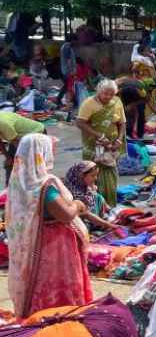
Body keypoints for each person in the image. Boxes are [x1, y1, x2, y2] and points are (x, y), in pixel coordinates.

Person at [5, 134, 92, 318]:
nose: (53, 153)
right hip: (54, 247)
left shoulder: (19, 181)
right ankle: (57, 320)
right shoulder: (44, 187)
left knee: (37, 285)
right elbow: (66, 214)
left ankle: (39, 316)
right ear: (39, 154)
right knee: (56, 285)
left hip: (33, 245)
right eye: (49, 149)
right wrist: (78, 204)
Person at [76, 79, 125, 206]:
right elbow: (80, 122)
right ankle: (95, 207)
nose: (108, 97)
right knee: (92, 176)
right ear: (98, 91)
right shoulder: (89, 103)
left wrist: (119, 139)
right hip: (93, 146)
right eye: (105, 94)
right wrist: (99, 135)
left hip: (112, 146)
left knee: (111, 175)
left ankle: (110, 205)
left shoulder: (117, 102)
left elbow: (122, 122)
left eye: (111, 94)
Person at [64, 161, 117, 231]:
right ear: (81, 176)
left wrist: (114, 212)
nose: (96, 178)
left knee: (98, 197)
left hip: (94, 222)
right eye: (92, 175)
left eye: (96, 175)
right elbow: (87, 214)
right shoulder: (69, 194)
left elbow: (105, 206)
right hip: (80, 227)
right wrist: (107, 224)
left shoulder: (87, 189)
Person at [0, 110, 45, 183]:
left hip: (36, 133)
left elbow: (17, 144)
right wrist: (8, 157)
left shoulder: (3, 123)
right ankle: (10, 188)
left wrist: (22, 160)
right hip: (19, 137)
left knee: (30, 166)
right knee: (10, 164)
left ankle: (38, 185)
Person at [58, 35, 77, 108]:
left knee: (68, 86)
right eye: (75, 41)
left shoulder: (65, 46)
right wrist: (71, 71)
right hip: (67, 71)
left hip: (66, 70)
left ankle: (71, 100)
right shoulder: (67, 46)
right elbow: (69, 60)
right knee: (67, 86)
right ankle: (59, 99)